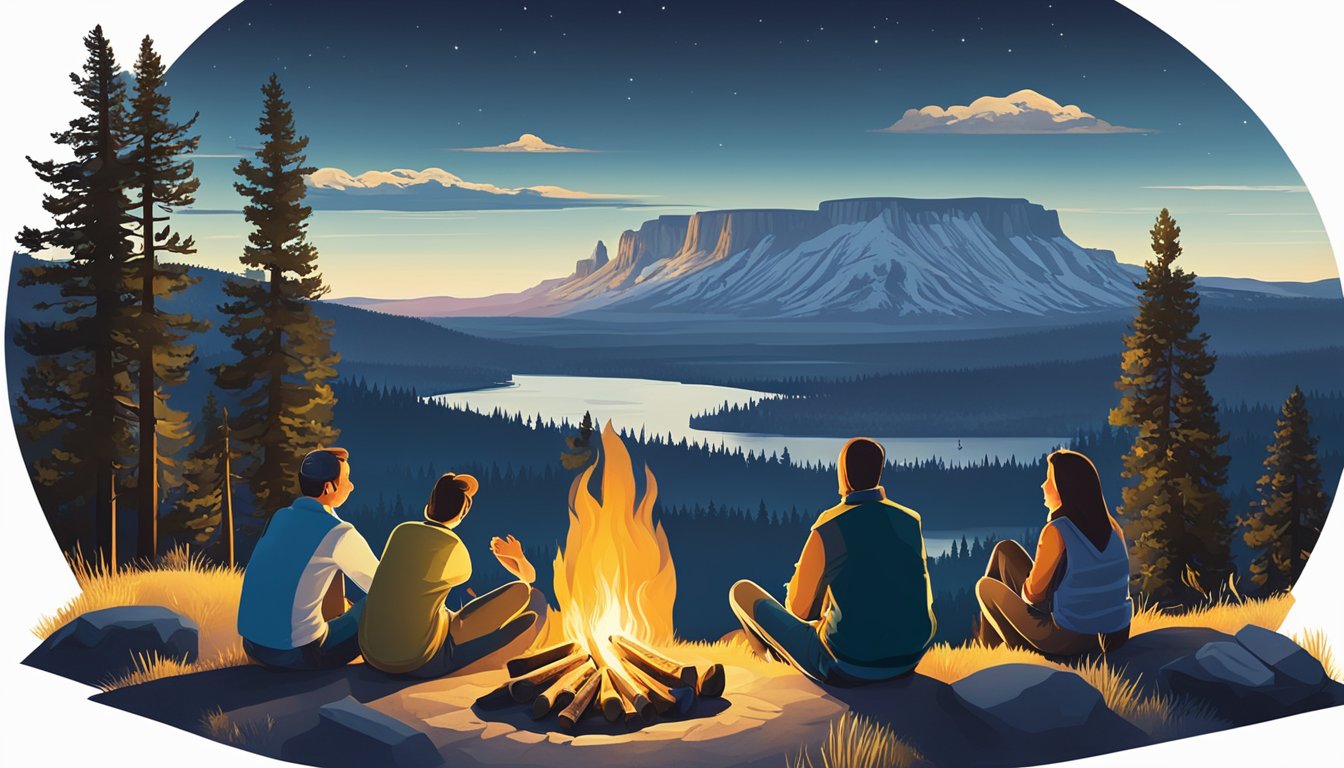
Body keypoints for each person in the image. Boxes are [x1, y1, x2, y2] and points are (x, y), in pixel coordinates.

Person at [728, 437, 937, 685]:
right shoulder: (910, 520)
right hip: (910, 656)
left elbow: (800, 610)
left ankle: (771, 660)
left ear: (844, 475)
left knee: (741, 593)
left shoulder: (829, 527)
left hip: (850, 664)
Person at [359, 472, 546, 677]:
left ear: (429, 505)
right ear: (462, 513)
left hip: (372, 654)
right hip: (420, 660)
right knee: (520, 592)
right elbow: (526, 580)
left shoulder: (400, 531)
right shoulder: (453, 546)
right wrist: (516, 558)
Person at [975, 449, 1133, 656]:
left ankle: (1021, 652)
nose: (1043, 486)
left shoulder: (1058, 531)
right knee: (1004, 551)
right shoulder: (1114, 529)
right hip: (1109, 632)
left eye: (1049, 480)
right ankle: (987, 649)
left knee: (986, 588)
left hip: (1066, 636)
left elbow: (1033, 594)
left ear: (1065, 488)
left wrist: (1027, 589)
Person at [237, 448, 380, 670]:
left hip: (253, 646)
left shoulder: (281, 516)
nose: (351, 486)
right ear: (328, 487)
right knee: (371, 606)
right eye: (346, 479)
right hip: (296, 654)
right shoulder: (338, 532)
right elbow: (381, 586)